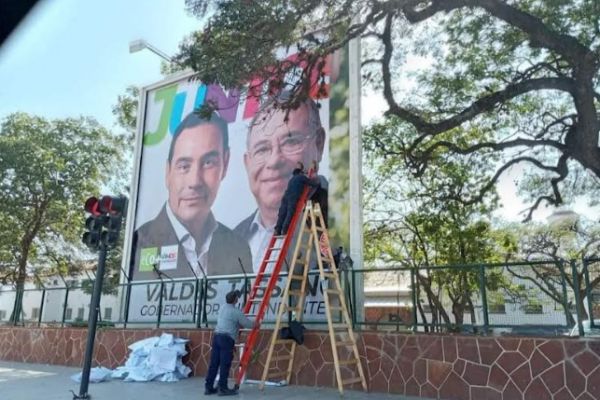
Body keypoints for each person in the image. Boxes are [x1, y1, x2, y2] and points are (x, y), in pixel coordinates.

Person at [133, 112, 252, 280]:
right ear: (168, 173)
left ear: (225, 164)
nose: (195, 181)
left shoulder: (238, 248)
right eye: (184, 166)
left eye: (208, 162)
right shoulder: (140, 241)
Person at [234, 91, 327, 271]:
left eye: (291, 142)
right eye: (262, 150)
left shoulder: (330, 213)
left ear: (319, 143)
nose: (274, 161)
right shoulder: (231, 238)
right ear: (247, 163)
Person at [205, 290, 257, 396]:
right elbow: (246, 323)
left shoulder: (222, 308)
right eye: (237, 297)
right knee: (225, 364)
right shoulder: (235, 312)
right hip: (227, 339)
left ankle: (209, 387)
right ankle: (222, 389)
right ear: (235, 300)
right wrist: (256, 324)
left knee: (214, 364)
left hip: (217, 337)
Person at [275, 164, 320, 236]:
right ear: (301, 172)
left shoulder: (292, 179)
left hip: (285, 196)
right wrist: (317, 182)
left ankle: (277, 230)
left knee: (282, 214)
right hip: (293, 197)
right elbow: (313, 183)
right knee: (290, 213)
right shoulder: (301, 177)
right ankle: (284, 230)